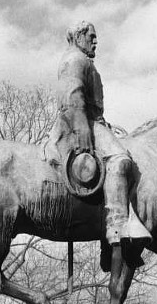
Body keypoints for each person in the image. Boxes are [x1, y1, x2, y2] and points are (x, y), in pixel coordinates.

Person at [49, 20, 150, 243]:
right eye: (91, 37)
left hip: (91, 121)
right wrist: (82, 128)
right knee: (120, 159)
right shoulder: (75, 59)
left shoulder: (81, 60)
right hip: (80, 122)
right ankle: (117, 224)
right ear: (78, 37)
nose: (95, 41)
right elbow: (72, 95)